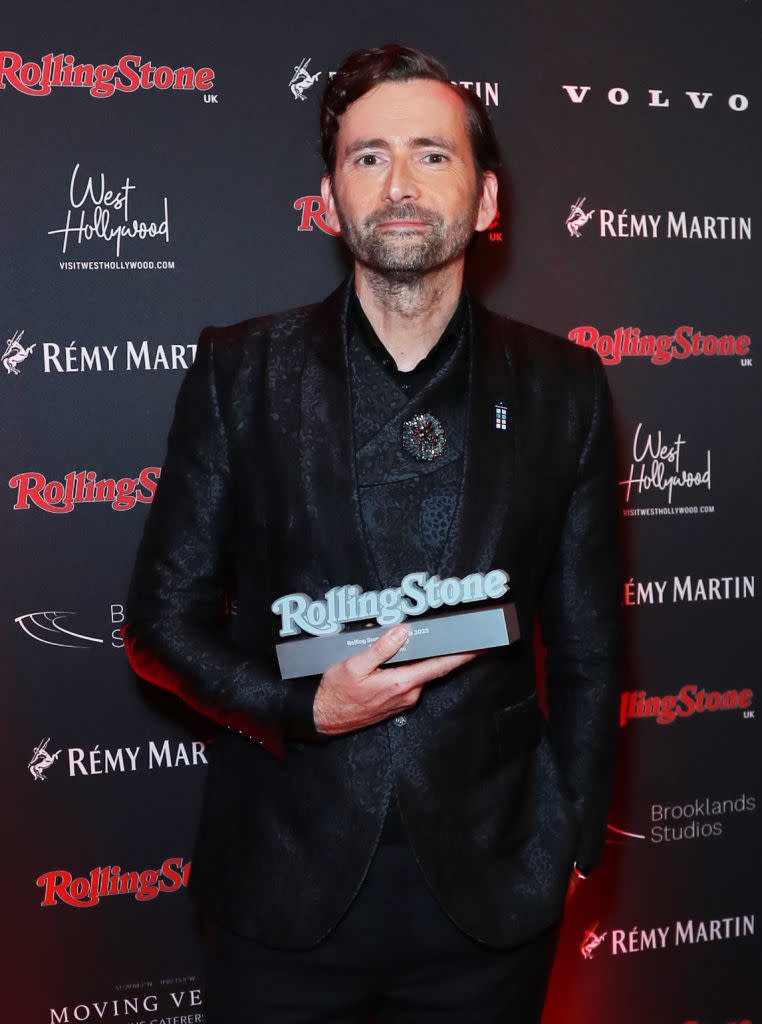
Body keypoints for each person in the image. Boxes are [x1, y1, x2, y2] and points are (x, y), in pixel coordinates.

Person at [124, 44, 621, 1024]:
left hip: (490, 902)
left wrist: (572, 840)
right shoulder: (240, 373)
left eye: (432, 154)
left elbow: (590, 646)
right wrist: (308, 707)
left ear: (485, 200)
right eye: (367, 157)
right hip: (284, 895)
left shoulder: (564, 386)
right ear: (329, 198)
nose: (398, 183)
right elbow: (159, 621)